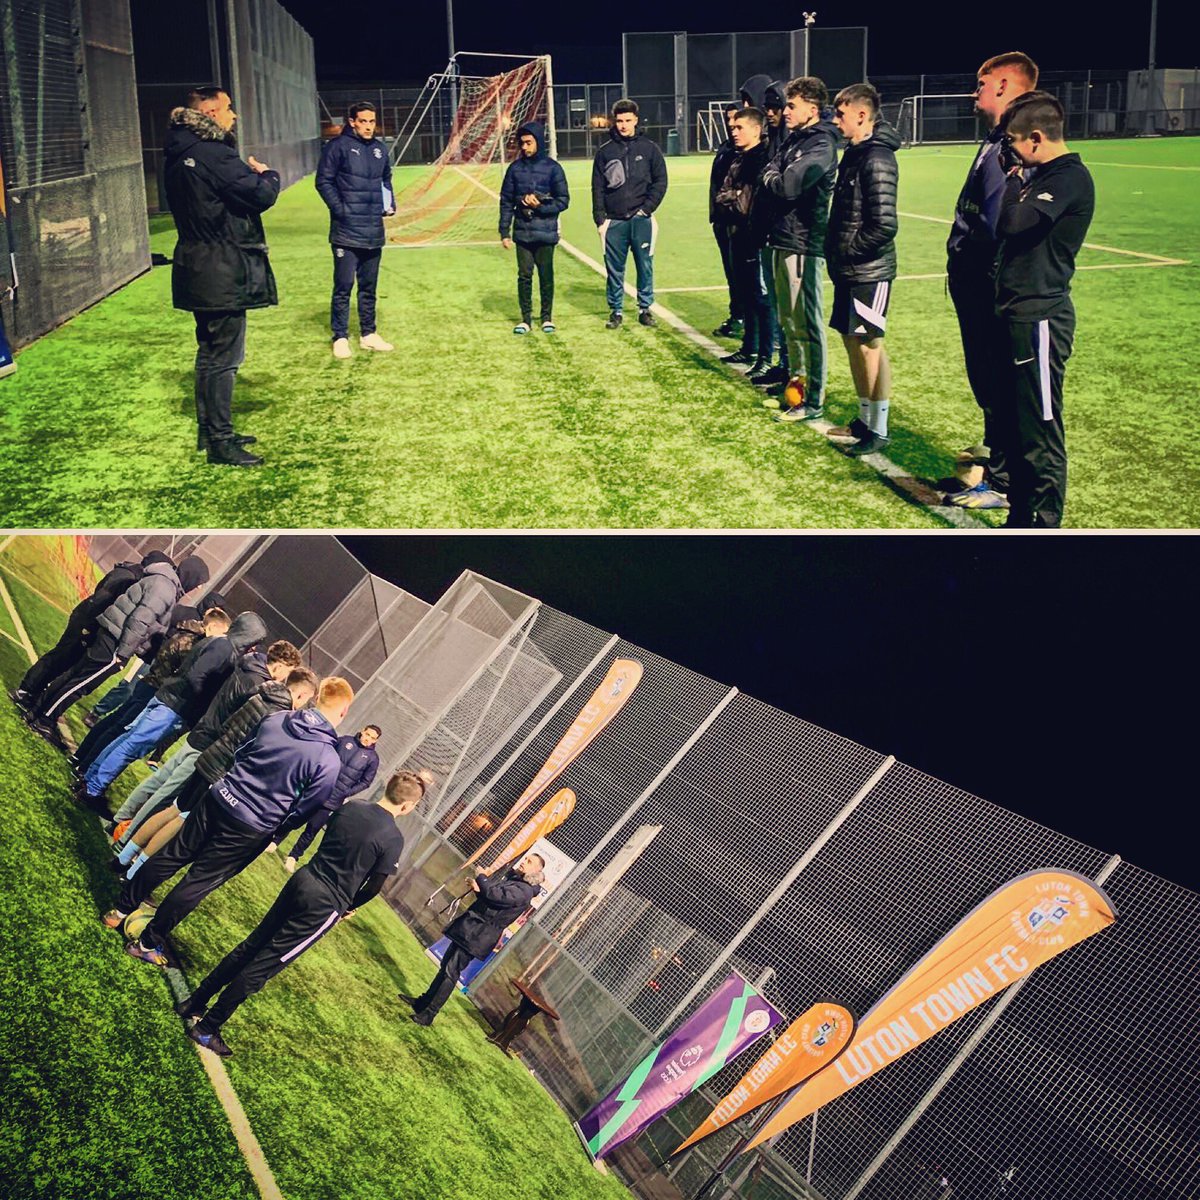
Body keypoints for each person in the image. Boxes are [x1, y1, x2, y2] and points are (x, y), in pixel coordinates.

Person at [178, 769, 432, 1057]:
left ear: (388, 787)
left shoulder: (353, 806)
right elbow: (374, 886)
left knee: (252, 945)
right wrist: (349, 906)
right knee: (264, 965)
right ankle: (208, 1027)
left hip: (304, 879)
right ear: (408, 806)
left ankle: (194, 1002)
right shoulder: (393, 838)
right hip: (325, 903)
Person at [106, 677, 354, 966]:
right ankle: (147, 942)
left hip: (220, 797)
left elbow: (242, 752)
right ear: (344, 711)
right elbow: (307, 807)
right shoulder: (327, 758)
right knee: (199, 881)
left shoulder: (278, 719)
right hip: (251, 825)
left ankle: (119, 911)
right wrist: (275, 825)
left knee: (173, 855)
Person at [993, 92, 1094, 528]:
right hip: (1017, 313)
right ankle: (1020, 517)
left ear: (1036, 138)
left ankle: (1043, 524)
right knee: (1015, 427)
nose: (1009, 152)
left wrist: (1014, 179)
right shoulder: (1043, 173)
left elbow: (1013, 223)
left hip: (1041, 319)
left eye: (1014, 143)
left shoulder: (1069, 177)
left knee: (1040, 428)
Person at [164, 86, 280, 467]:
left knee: (210, 354)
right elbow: (259, 196)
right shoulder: (212, 153)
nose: (235, 115)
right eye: (229, 108)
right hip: (220, 268)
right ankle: (220, 441)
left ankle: (210, 428)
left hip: (199, 264)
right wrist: (268, 175)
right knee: (223, 358)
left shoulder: (180, 151)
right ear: (211, 113)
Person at [114, 666, 319, 879]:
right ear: (302, 694)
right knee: (180, 822)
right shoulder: (280, 716)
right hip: (221, 771)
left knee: (172, 810)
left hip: (210, 757)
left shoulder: (261, 693)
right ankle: (133, 873)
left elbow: (228, 726)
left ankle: (122, 858)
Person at [944, 52, 1039, 509]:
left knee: (999, 382)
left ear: (1003, 86)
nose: (974, 94)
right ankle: (994, 469)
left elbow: (997, 224)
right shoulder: (996, 139)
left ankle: (1002, 481)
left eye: (980, 85)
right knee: (987, 380)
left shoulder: (1014, 145)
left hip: (988, 285)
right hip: (973, 280)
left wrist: (977, 270)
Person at [107, 637, 304, 839]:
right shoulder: (258, 685)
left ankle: (120, 817)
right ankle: (127, 836)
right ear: (280, 666)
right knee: (166, 793)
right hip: (210, 741)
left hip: (201, 728)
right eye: (288, 673)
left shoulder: (247, 664)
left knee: (159, 779)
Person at [77, 610, 266, 811]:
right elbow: (196, 676)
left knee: (128, 739)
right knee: (131, 746)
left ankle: (89, 781)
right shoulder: (224, 648)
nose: (253, 647)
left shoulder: (220, 642)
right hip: (174, 706)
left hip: (168, 698)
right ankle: (92, 789)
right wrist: (200, 702)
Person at [26, 555, 208, 740]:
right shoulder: (165, 588)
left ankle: (38, 711)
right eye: (200, 582)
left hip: (113, 635)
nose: (199, 587)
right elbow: (139, 620)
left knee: (75, 675)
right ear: (191, 576)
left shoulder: (164, 582)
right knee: (81, 683)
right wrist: (123, 653)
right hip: (116, 641)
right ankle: (45, 719)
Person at [823, 84, 900, 456]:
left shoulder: (877, 158)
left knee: (871, 346)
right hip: (849, 271)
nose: (836, 121)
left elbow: (884, 224)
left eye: (840, 114)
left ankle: (879, 428)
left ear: (861, 114)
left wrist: (849, 252)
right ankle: (864, 418)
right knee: (853, 342)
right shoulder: (854, 154)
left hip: (868, 271)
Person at [758, 77, 838, 416]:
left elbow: (787, 184)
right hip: (782, 238)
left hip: (803, 243)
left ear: (812, 108)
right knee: (789, 322)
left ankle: (814, 399)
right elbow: (772, 169)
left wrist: (774, 176)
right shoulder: (795, 141)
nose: (785, 111)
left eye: (792, 105)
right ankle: (797, 389)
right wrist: (775, 174)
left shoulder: (821, 144)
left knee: (807, 323)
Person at [71, 602, 226, 776]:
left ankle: (80, 757)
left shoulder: (188, 632)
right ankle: (84, 766)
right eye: (222, 633)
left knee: (117, 720)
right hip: (155, 688)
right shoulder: (193, 642)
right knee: (120, 727)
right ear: (212, 627)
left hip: (150, 683)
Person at [400, 853, 545, 1026]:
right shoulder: (518, 882)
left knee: (450, 972)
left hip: (479, 934)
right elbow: (494, 904)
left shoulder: (524, 890)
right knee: (446, 966)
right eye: (526, 859)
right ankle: (423, 1003)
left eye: (530, 862)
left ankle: (429, 1014)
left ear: (537, 871)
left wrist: (482, 877)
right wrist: (479, 890)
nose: (524, 862)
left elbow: (493, 895)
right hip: (473, 928)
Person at [11, 555, 149, 717]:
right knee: (59, 656)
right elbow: (100, 600)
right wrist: (89, 627)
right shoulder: (128, 576)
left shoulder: (130, 574)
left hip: (88, 620)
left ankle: (33, 693)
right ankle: (25, 690)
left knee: (65, 661)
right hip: (86, 620)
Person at [316, 101, 395, 360]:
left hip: (373, 228)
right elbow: (323, 181)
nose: (369, 126)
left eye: (372, 121)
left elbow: (385, 180)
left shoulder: (380, 150)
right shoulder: (337, 147)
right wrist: (341, 210)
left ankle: (368, 334)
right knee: (344, 285)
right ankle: (340, 336)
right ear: (352, 122)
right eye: (363, 121)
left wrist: (388, 204)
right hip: (346, 231)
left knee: (368, 286)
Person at [592, 99, 668, 329]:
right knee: (614, 268)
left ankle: (645, 309)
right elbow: (597, 187)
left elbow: (661, 181)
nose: (623, 125)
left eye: (628, 120)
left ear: (636, 120)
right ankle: (616, 311)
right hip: (614, 221)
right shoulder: (605, 152)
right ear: (614, 122)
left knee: (645, 265)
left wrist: (646, 209)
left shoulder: (649, 149)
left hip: (642, 219)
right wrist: (600, 218)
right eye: (619, 121)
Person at [711, 108, 773, 375]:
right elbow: (723, 195)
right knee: (746, 294)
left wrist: (732, 196)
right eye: (733, 128)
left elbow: (745, 203)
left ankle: (766, 356)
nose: (733, 132)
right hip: (735, 234)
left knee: (761, 298)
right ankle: (749, 348)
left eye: (740, 128)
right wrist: (732, 196)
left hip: (754, 237)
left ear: (756, 130)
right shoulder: (738, 159)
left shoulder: (762, 160)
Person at [498, 120, 570, 335]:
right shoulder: (514, 169)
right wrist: (504, 231)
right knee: (524, 276)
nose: (525, 147)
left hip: (546, 233)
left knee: (546, 276)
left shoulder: (553, 169)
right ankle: (526, 319)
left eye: (529, 143)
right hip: (522, 233)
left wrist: (540, 206)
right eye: (522, 143)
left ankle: (547, 318)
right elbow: (506, 201)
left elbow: (563, 201)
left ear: (538, 142)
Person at [279, 724, 382, 872]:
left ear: (375, 741)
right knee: (295, 816)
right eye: (367, 734)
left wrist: (346, 792)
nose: (368, 739)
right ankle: (275, 841)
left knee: (312, 829)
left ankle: (293, 857)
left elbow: (366, 782)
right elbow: (325, 754)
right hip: (317, 789)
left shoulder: (372, 759)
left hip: (333, 799)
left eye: (373, 738)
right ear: (362, 731)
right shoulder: (345, 740)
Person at [709, 101, 744, 340]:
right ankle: (737, 316)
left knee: (745, 277)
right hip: (722, 221)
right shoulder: (725, 149)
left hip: (738, 223)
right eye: (728, 119)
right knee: (732, 274)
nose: (731, 124)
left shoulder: (748, 152)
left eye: (736, 119)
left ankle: (749, 323)